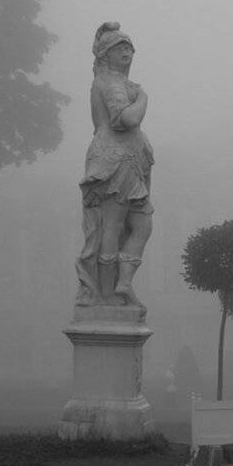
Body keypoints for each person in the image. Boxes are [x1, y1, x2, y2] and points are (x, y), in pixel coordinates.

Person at [75, 22, 153, 307]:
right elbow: (126, 120)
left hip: (128, 161)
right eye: (120, 48)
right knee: (112, 226)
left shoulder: (117, 82)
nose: (127, 53)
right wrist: (144, 98)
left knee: (141, 224)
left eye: (129, 48)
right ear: (105, 54)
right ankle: (106, 296)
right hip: (115, 160)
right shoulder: (111, 83)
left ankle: (122, 283)